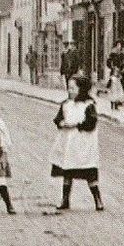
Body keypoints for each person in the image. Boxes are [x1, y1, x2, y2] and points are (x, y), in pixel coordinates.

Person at [50, 75, 104, 212]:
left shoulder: (88, 105)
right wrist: (61, 123)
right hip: (69, 143)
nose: (70, 91)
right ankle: (65, 199)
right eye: (69, 88)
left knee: (89, 171)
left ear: (82, 89)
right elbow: (58, 119)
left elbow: (91, 123)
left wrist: (75, 125)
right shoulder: (66, 104)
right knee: (67, 171)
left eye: (73, 88)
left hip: (83, 143)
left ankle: (97, 199)